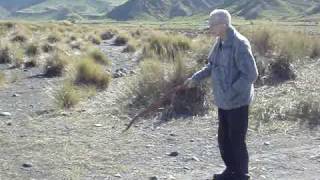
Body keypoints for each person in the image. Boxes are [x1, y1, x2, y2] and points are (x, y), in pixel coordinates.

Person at [184, 9, 258, 180]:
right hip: (223, 101)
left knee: (236, 140)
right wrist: (195, 79)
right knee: (224, 139)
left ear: (223, 25)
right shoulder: (219, 42)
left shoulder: (240, 44)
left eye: (212, 25)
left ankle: (242, 175)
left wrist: (231, 91)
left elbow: (251, 75)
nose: (210, 29)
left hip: (238, 102)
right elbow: (211, 66)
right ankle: (230, 170)